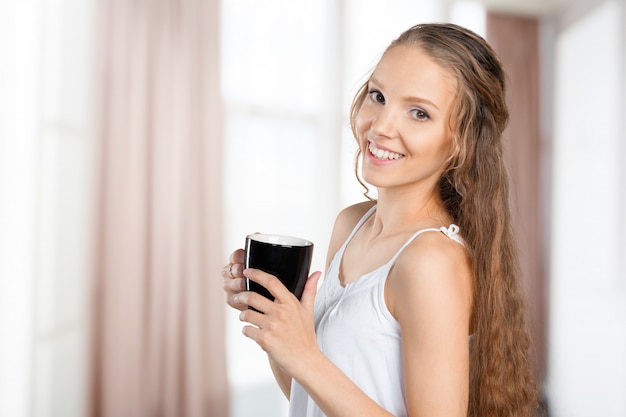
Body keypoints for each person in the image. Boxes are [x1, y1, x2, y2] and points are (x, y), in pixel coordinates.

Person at [222, 22, 538, 417]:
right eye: (378, 96)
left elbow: (313, 370)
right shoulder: (350, 224)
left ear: (461, 142)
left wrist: (306, 357)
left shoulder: (430, 262)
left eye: (419, 113)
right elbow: (309, 399)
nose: (382, 126)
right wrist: (278, 327)